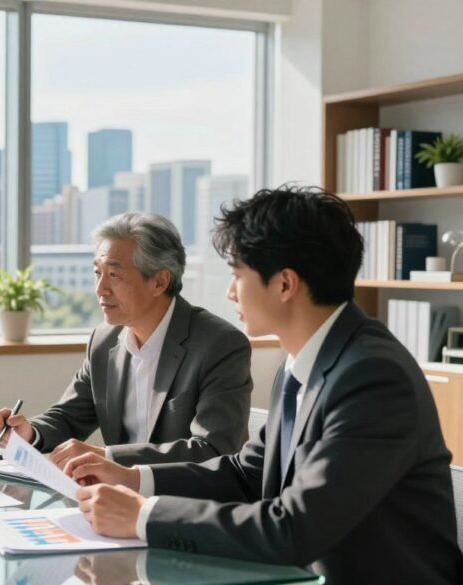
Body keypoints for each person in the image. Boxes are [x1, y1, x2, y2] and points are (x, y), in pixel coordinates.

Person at [65, 186, 463, 584]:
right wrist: (131, 478)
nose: (230, 290)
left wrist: (144, 516)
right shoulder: (303, 363)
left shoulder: (372, 378)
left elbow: (294, 529)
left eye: (238, 274)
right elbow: (246, 473)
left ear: (285, 284)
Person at [0, 212, 251, 468]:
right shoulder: (104, 340)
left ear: (159, 281)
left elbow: (213, 449)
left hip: (184, 502)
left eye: (114, 275)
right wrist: (30, 432)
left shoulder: (220, 345)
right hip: (116, 500)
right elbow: (70, 416)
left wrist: (109, 457)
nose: (100, 289)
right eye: (97, 273)